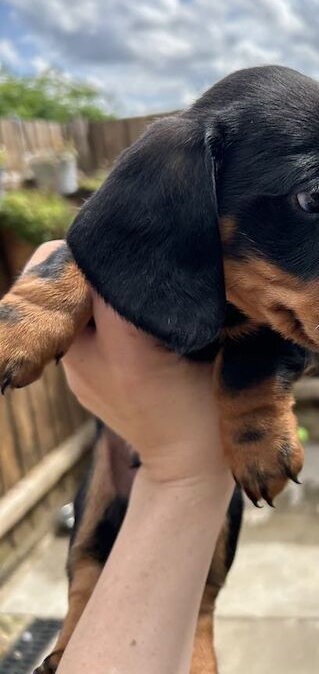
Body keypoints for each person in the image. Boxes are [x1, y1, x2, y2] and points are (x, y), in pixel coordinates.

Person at [26, 242, 234, 674]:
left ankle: (201, 617)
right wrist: (39, 301)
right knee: (89, 544)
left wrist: (256, 414)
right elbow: (82, 250)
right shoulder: (126, 232)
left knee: (226, 483)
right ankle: (80, 608)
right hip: (119, 443)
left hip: (204, 426)